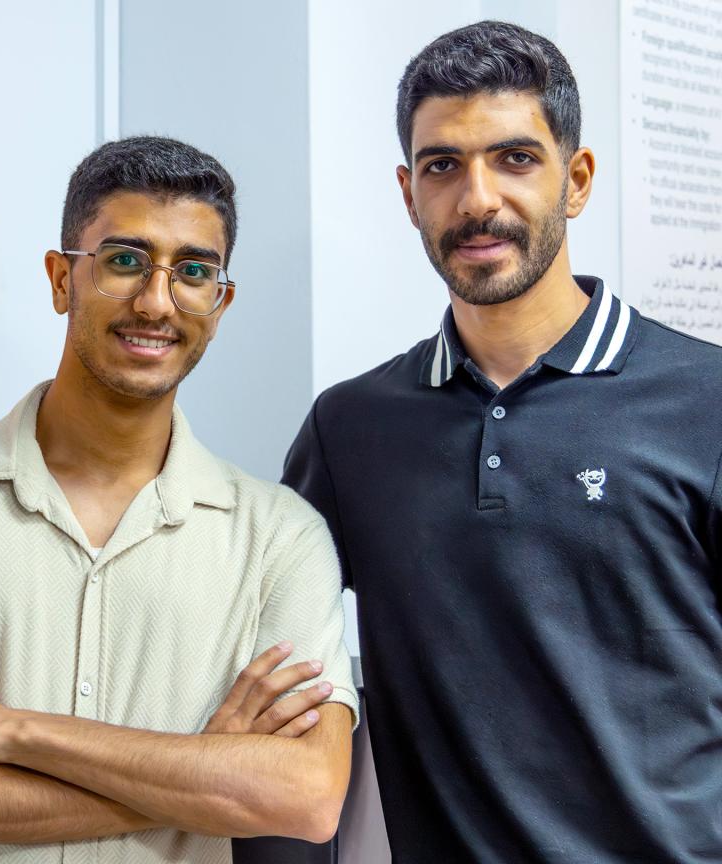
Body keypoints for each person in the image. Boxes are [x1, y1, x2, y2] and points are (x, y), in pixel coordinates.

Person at [0, 135, 359, 864]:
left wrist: (12, 732)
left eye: (193, 272)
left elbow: (306, 796)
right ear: (61, 279)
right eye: (125, 261)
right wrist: (201, 770)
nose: (156, 301)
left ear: (220, 302)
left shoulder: (282, 538)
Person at [282, 20, 722, 863]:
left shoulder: (706, 402)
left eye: (514, 158)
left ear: (577, 178)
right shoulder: (352, 428)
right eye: (443, 165)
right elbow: (257, 646)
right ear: (409, 192)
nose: (477, 199)